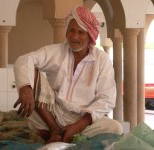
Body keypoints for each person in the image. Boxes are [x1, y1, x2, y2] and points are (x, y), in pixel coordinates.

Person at [13, 6, 123, 144]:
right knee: (30, 95)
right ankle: (55, 132)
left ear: (90, 36)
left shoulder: (101, 59)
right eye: (71, 30)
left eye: (80, 32)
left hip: (84, 118)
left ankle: (59, 136)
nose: (74, 36)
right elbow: (24, 60)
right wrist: (25, 88)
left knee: (115, 128)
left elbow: (107, 98)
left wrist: (78, 126)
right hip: (53, 115)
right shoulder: (57, 51)